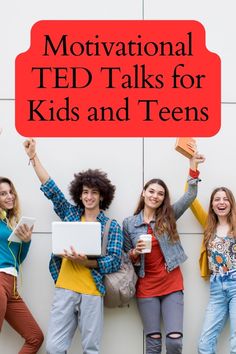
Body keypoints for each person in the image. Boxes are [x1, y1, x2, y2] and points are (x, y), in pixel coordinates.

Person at [23, 138, 123, 354]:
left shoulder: (111, 226)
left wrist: (86, 261)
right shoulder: (70, 214)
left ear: (102, 196)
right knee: (53, 348)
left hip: (92, 291)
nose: (89, 196)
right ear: (80, 194)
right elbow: (51, 189)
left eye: (94, 192)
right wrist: (33, 157)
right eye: (85, 192)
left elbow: (115, 261)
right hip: (65, 289)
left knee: (91, 349)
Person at [123, 152, 205, 354]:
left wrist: (192, 166)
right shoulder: (129, 223)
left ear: (163, 198)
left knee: (174, 342)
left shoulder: (169, 217)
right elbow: (124, 257)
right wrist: (135, 252)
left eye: (160, 193)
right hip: (146, 286)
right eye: (151, 191)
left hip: (171, 284)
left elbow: (190, 196)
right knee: (153, 344)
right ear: (143, 193)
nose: (155, 196)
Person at [0, 176, 44, 353]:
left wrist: (26, 241)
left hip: (13, 287)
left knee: (35, 338)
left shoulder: (11, 224)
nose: (9, 196)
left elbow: (18, 260)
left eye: (11, 192)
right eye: (3, 194)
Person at [190, 187, 236, 354]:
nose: (221, 202)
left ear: (231, 203)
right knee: (204, 344)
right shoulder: (208, 224)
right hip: (217, 287)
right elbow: (191, 199)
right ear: (212, 205)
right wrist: (193, 169)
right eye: (217, 199)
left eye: (225, 199)